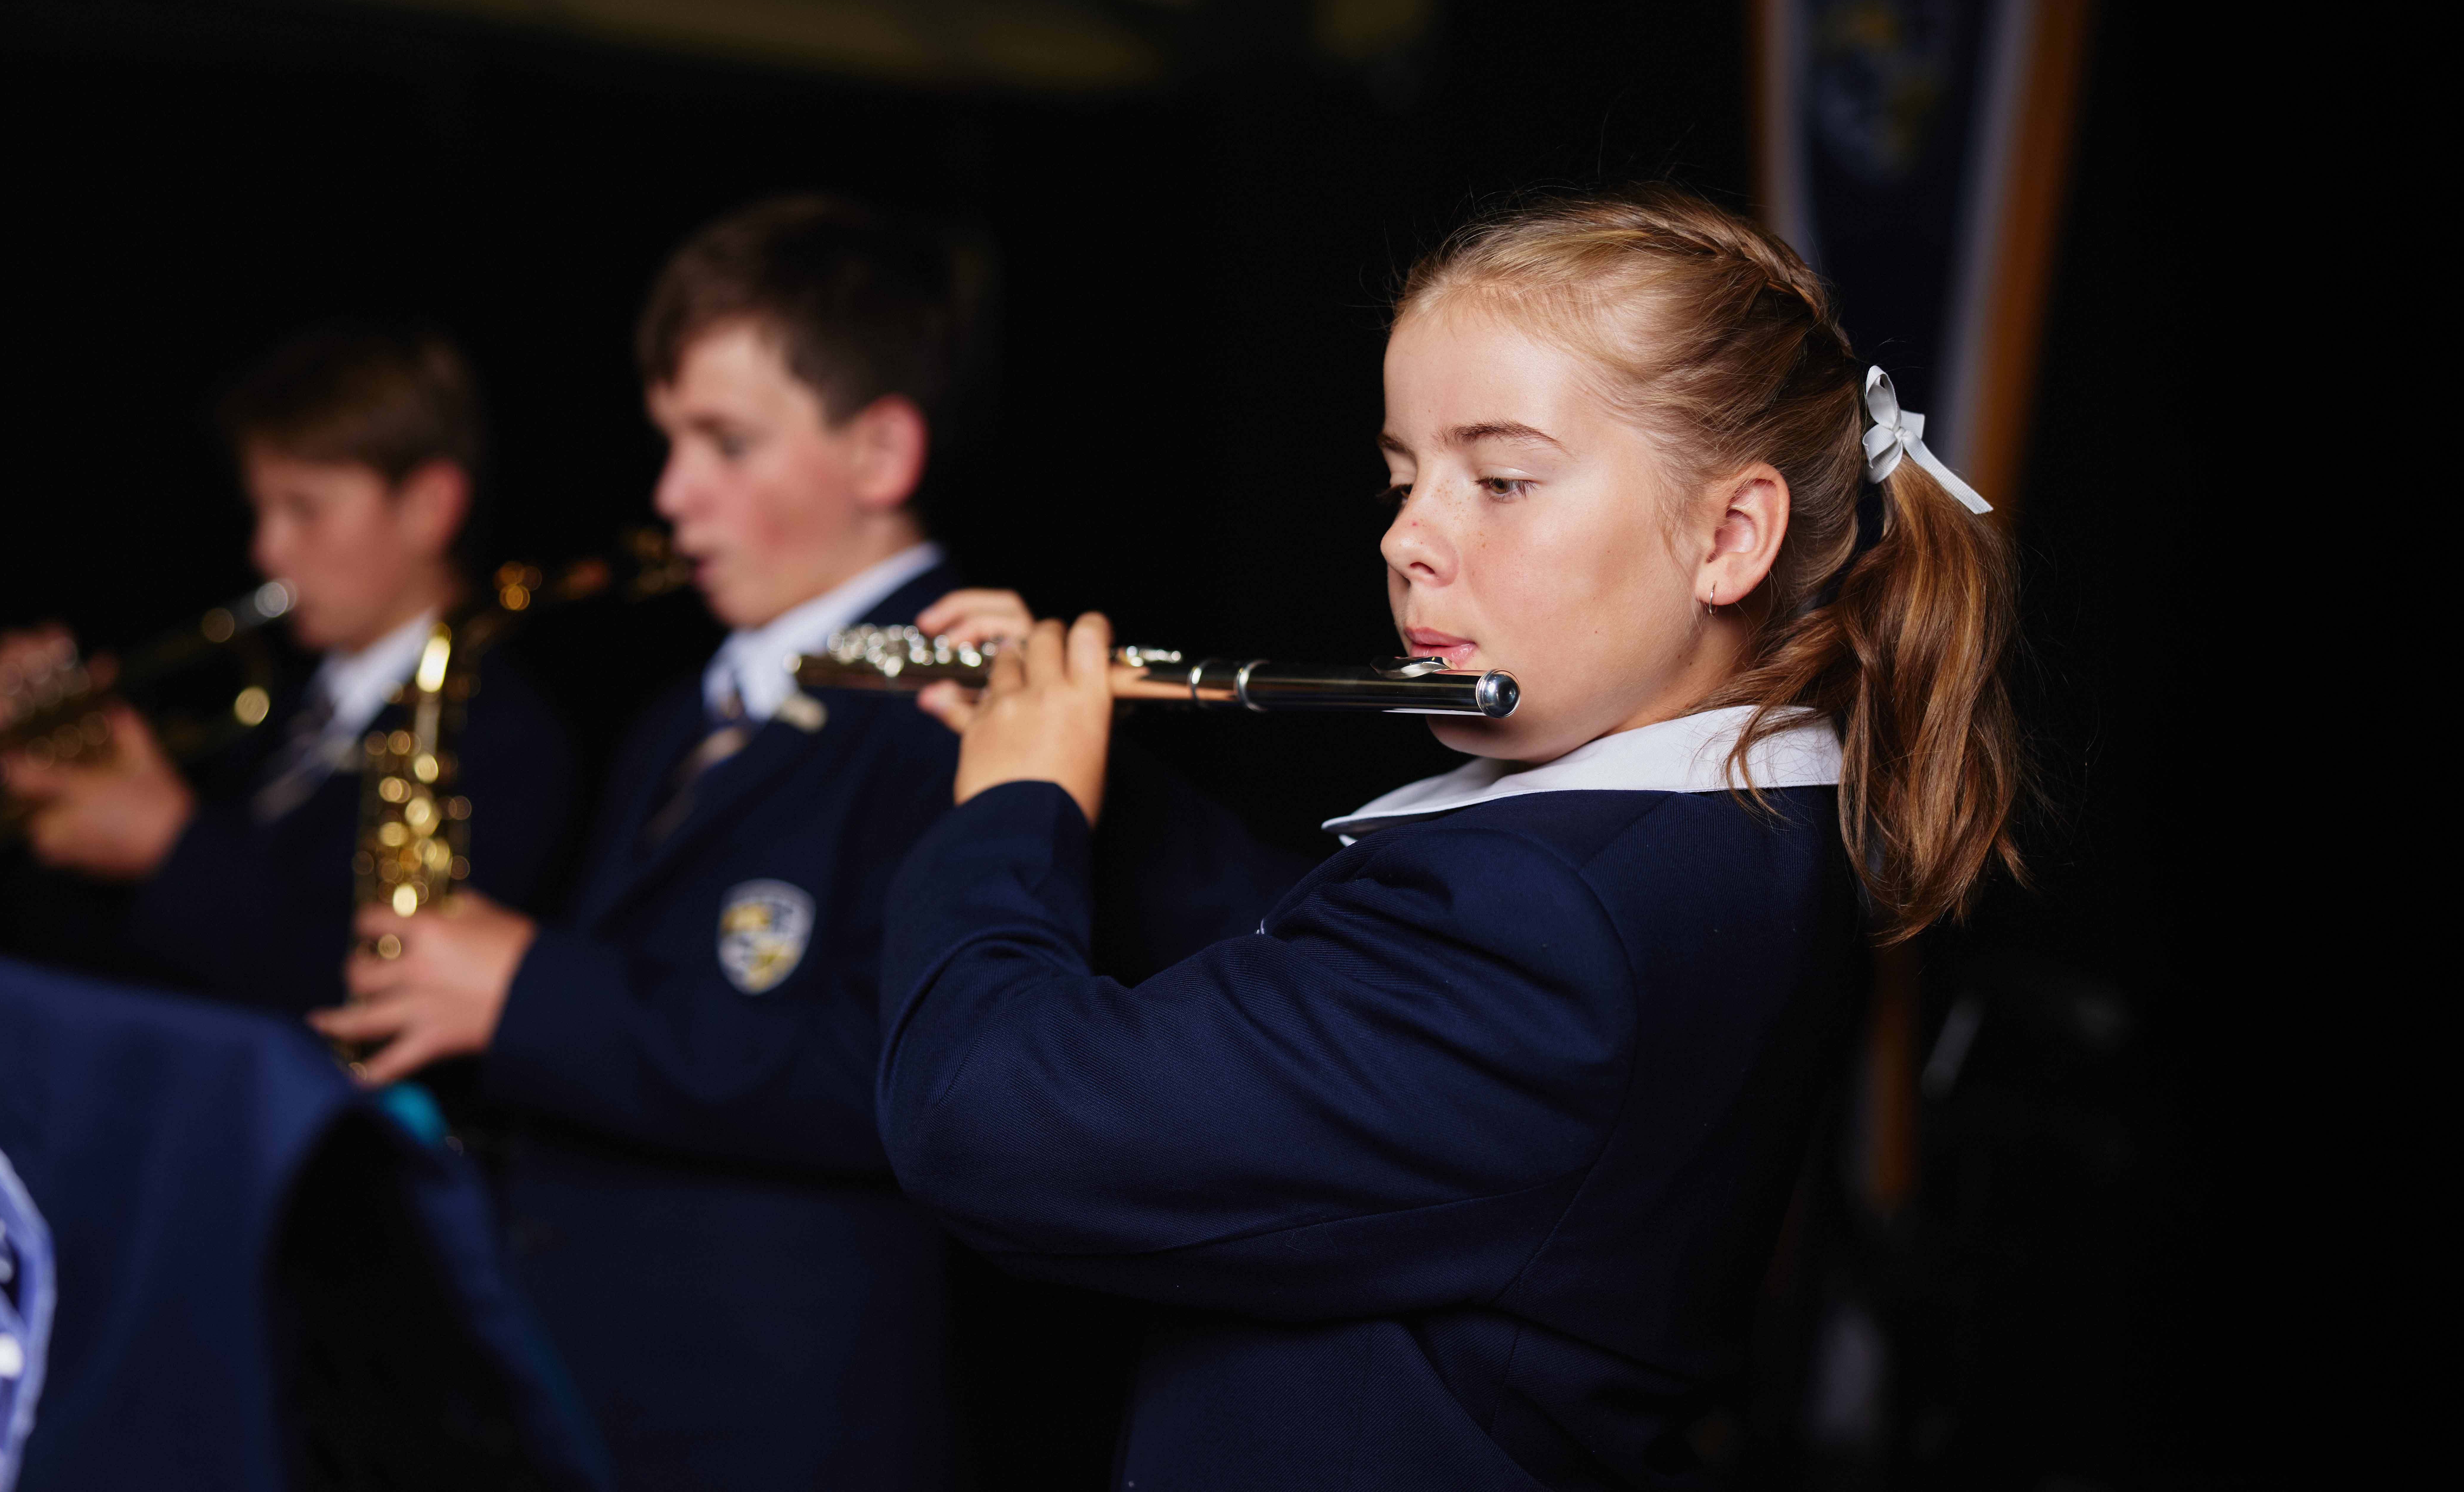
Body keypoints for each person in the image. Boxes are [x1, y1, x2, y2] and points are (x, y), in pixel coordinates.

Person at [874, 186, 2026, 1489]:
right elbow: (1323, 975)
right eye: (1403, 476)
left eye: (1502, 478)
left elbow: (985, 1119)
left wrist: (1007, 810)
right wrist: (1081, 759)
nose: (1408, 537)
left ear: (1729, 535)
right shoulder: (1742, 825)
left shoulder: (1548, 923)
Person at [301, 195, 1045, 1491]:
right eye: (668, 441)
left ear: (880, 454)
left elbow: (896, 1076)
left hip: (789, 1422)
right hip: (604, 1388)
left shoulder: (972, 702)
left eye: (726, 443)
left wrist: (528, 989)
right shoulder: (677, 711)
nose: (669, 494)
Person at [0, 325, 578, 1019]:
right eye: (262, 510)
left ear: (429, 506)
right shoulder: (278, 714)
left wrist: (170, 848)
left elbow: (369, 997)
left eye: (304, 508)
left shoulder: (508, 742)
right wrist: (61, 770)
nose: (266, 549)